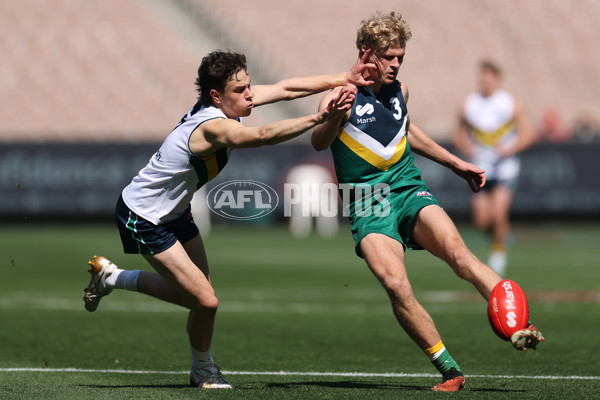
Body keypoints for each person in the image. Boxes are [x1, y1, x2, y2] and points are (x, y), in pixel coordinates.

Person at [82, 50, 375, 389]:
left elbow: (285, 89)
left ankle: (112, 277)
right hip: (144, 216)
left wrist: (345, 77)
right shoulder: (211, 127)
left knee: (199, 298)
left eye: (248, 86)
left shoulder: (233, 103)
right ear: (216, 96)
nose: (249, 94)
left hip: (174, 211)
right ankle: (203, 370)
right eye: (240, 90)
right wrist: (319, 118)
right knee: (205, 300)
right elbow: (260, 137)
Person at [311, 11, 544, 392]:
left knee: (460, 254)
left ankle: (519, 324)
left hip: (407, 187)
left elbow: (406, 131)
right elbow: (319, 141)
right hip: (367, 201)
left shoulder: (400, 91)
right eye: (390, 57)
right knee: (397, 286)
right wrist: (334, 117)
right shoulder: (339, 95)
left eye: (401, 56)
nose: (397, 64)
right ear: (367, 53)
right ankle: (450, 370)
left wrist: (455, 163)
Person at [453, 60, 536, 276]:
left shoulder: (510, 103)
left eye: (489, 76)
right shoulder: (469, 104)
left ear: (497, 79)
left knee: (499, 213)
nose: (485, 81)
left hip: (505, 169)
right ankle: (503, 236)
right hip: (481, 169)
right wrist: (467, 147)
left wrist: (510, 149)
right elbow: (459, 135)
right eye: (482, 76)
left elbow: (528, 134)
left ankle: (498, 255)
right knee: (481, 221)